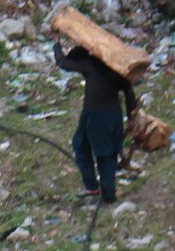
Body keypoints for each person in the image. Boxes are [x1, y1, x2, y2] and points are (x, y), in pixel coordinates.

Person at [54, 37, 140, 205]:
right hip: (111, 115)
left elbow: (62, 62)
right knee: (82, 145)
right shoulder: (117, 69)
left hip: (97, 117)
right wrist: (131, 117)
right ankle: (93, 187)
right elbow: (129, 94)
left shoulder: (90, 64)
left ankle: (108, 195)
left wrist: (56, 43)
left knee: (104, 154)